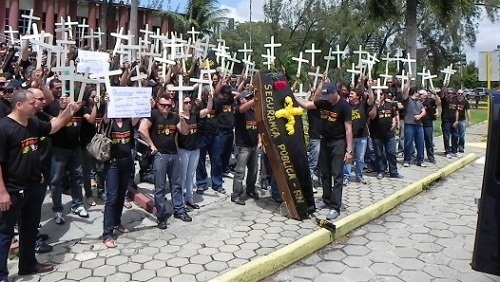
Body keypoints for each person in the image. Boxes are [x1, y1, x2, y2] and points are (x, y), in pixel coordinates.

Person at [0, 89, 78, 280]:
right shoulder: (3, 128)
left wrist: (68, 112)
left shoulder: (32, 122)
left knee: (29, 228)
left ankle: (28, 265)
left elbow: (52, 127)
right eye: (32, 103)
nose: (37, 106)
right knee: (4, 233)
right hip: (12, 190)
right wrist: (2, 193)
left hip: (34, 186)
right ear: (19, 105)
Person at [295, 81, 353, 221]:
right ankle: (326, 199)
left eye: (328, 97)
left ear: (335, 93)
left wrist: (349, 150)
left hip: (338, 143)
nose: (326, 100)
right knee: (324, 173)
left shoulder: (344, 106)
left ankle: (335, 207)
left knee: (337, 174)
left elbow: (348, 129)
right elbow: (308, 105)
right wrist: (293, 96)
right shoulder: (324, 102)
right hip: (324, 141)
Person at [138, 95, 190, 229]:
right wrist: (151, 145)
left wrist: (183, 121)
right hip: (161, 155)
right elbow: (142, 129)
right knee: (160, 187)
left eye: (168, 105)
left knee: (177, 185)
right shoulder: (153, 115)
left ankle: (179, 210)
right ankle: (161, 215)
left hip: (174, 154)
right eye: (162, 105)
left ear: (171, 104)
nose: (165, 108)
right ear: (158, 105)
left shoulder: (174, 116)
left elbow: (184, 132)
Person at [101, 115, 140, 248]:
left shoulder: (128, 120)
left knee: (121, 194)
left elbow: (138, 115)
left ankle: (117, 223)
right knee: (111, 197)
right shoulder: (109, 120)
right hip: (112, 164)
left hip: (126, 162)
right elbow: (105, 118)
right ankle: (107, 234)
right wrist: (107, 102)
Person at [178, 88, 213, 210]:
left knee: (191, 175)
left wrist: (210, 98)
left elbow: (208, 109)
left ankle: (190, 198)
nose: (188, 104)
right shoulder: (178, 117)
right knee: (182, 175)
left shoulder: (194, 115)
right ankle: (180, 201)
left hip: (195, 149)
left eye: (189, 102)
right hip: (183, 150)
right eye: (185, 102)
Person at [231, 90, 260, 205]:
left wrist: (260, 142)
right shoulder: (238, 110)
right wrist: (256, 100)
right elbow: (242, 108)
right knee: (240, 172)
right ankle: (236, 194)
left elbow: (258, 128)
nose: (249, 100)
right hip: (242, 147)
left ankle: (250, 190)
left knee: (253, 171)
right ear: (241, 99)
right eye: (246, 98)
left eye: (250, 98)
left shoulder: (254, 112)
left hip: (253, 146)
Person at [401, 85, 427, 167]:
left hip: (419, 125)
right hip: (409, 124)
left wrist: (420, 116)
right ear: (414, 93)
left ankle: (420, 160)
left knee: (420, 143)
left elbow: (423, 111)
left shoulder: (419, 101)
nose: (419, 94)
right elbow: (404, 91)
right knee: (408, 143)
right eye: (418, 92)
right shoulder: (407, 100)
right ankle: (407, 160)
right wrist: (408, 81)